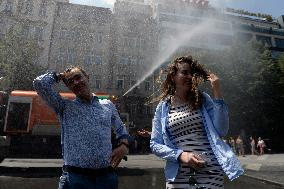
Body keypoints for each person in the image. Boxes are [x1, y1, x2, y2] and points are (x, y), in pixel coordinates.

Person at [150, 55, 244, 189]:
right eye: (184, 72)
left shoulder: (203, 99)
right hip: (178, 177)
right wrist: (181, 155)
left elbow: (222, 130)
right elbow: (155, 144)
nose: (189, 76)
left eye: (191, 73)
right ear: (173, 77)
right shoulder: (163, 107)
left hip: (210, 174)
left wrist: (217, 90)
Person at [33, 66, 130, 189]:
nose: (76, 83)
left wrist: (124, 145)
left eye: (78, 77)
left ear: (87, 77)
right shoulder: (64, 106)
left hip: (106, 178)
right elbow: (39, 83)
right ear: (69, 87)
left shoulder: (107, 105)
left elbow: (121, 129)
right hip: (75, 179)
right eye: (71, 82)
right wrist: (60, 75)